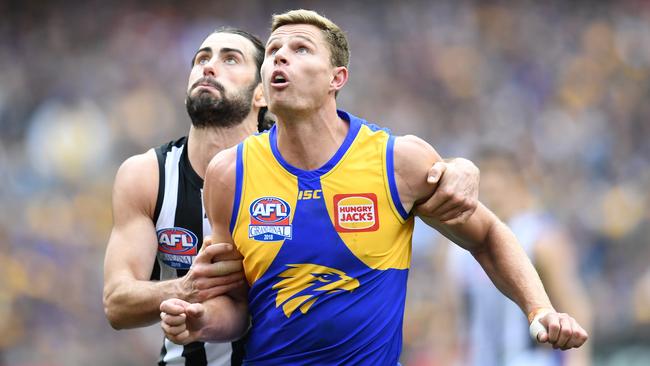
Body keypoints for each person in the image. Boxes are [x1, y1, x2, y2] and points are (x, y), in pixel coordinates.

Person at [159, 9, 588, 365]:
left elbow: (488, 235)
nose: (280, 59)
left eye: (300, 49)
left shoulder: (396, 162)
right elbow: (235, 307)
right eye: (273, 51)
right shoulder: (228, 174)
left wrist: (540, 310)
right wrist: (201, 322)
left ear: (336, 78)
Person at [103, 26, 482, 366]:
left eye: (230, 59)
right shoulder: (149, 175)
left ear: (262, 93)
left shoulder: (294, 167)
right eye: (202, 58)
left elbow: (382, 168)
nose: (209, 66)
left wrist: (460, 166)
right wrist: (184, 289)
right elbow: (116, 302)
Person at [446, 152, 593, 366]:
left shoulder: (540, 239)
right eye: (486, 184)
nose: (493, 192)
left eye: (499, 180)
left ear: (517, 184)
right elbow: (451, 318)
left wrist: (578, 360)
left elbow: (573, 304)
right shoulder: (457, 250)